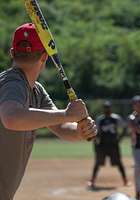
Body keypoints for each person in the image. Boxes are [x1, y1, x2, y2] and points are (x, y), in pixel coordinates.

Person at [0, 23, 97, 200]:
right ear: (45, 57)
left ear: (12, 53)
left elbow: (60, 127)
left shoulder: (35, 90)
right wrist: (66, 114)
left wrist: (79, 131)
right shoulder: (13, 83)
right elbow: (11, 118)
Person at [88, 101, 129, 188]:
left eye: (108, 107)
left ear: (111, 108)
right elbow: (96, 132)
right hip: (102, 145)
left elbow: (125, 127)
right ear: (103, 109)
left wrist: (120, 138)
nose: (107, 109)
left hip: (113, 144)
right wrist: (96, 143)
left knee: (119, 163)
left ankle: (125, 181)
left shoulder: (116, 118)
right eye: (105, 107)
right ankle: (92, 181)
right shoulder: (100, 119)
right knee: (98, 163)